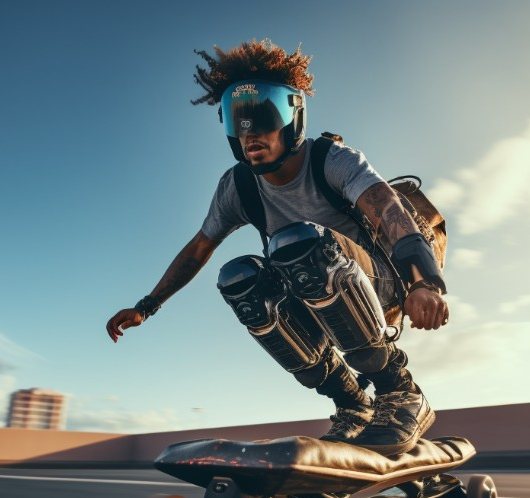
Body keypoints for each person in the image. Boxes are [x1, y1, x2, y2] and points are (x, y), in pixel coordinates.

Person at [106, 39, 449, 456]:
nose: (251, 133)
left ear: (292, 116)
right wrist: (147, 305)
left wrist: (424, 282)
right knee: (240, 278)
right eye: (238, 122)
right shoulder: (238, 185)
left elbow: (390, 211)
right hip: (312, 290)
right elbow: (199, 247)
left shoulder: (332, 160)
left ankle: (401, 394)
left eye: (264, 117)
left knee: (297, 244)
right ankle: (352, 403)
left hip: (380, 284)